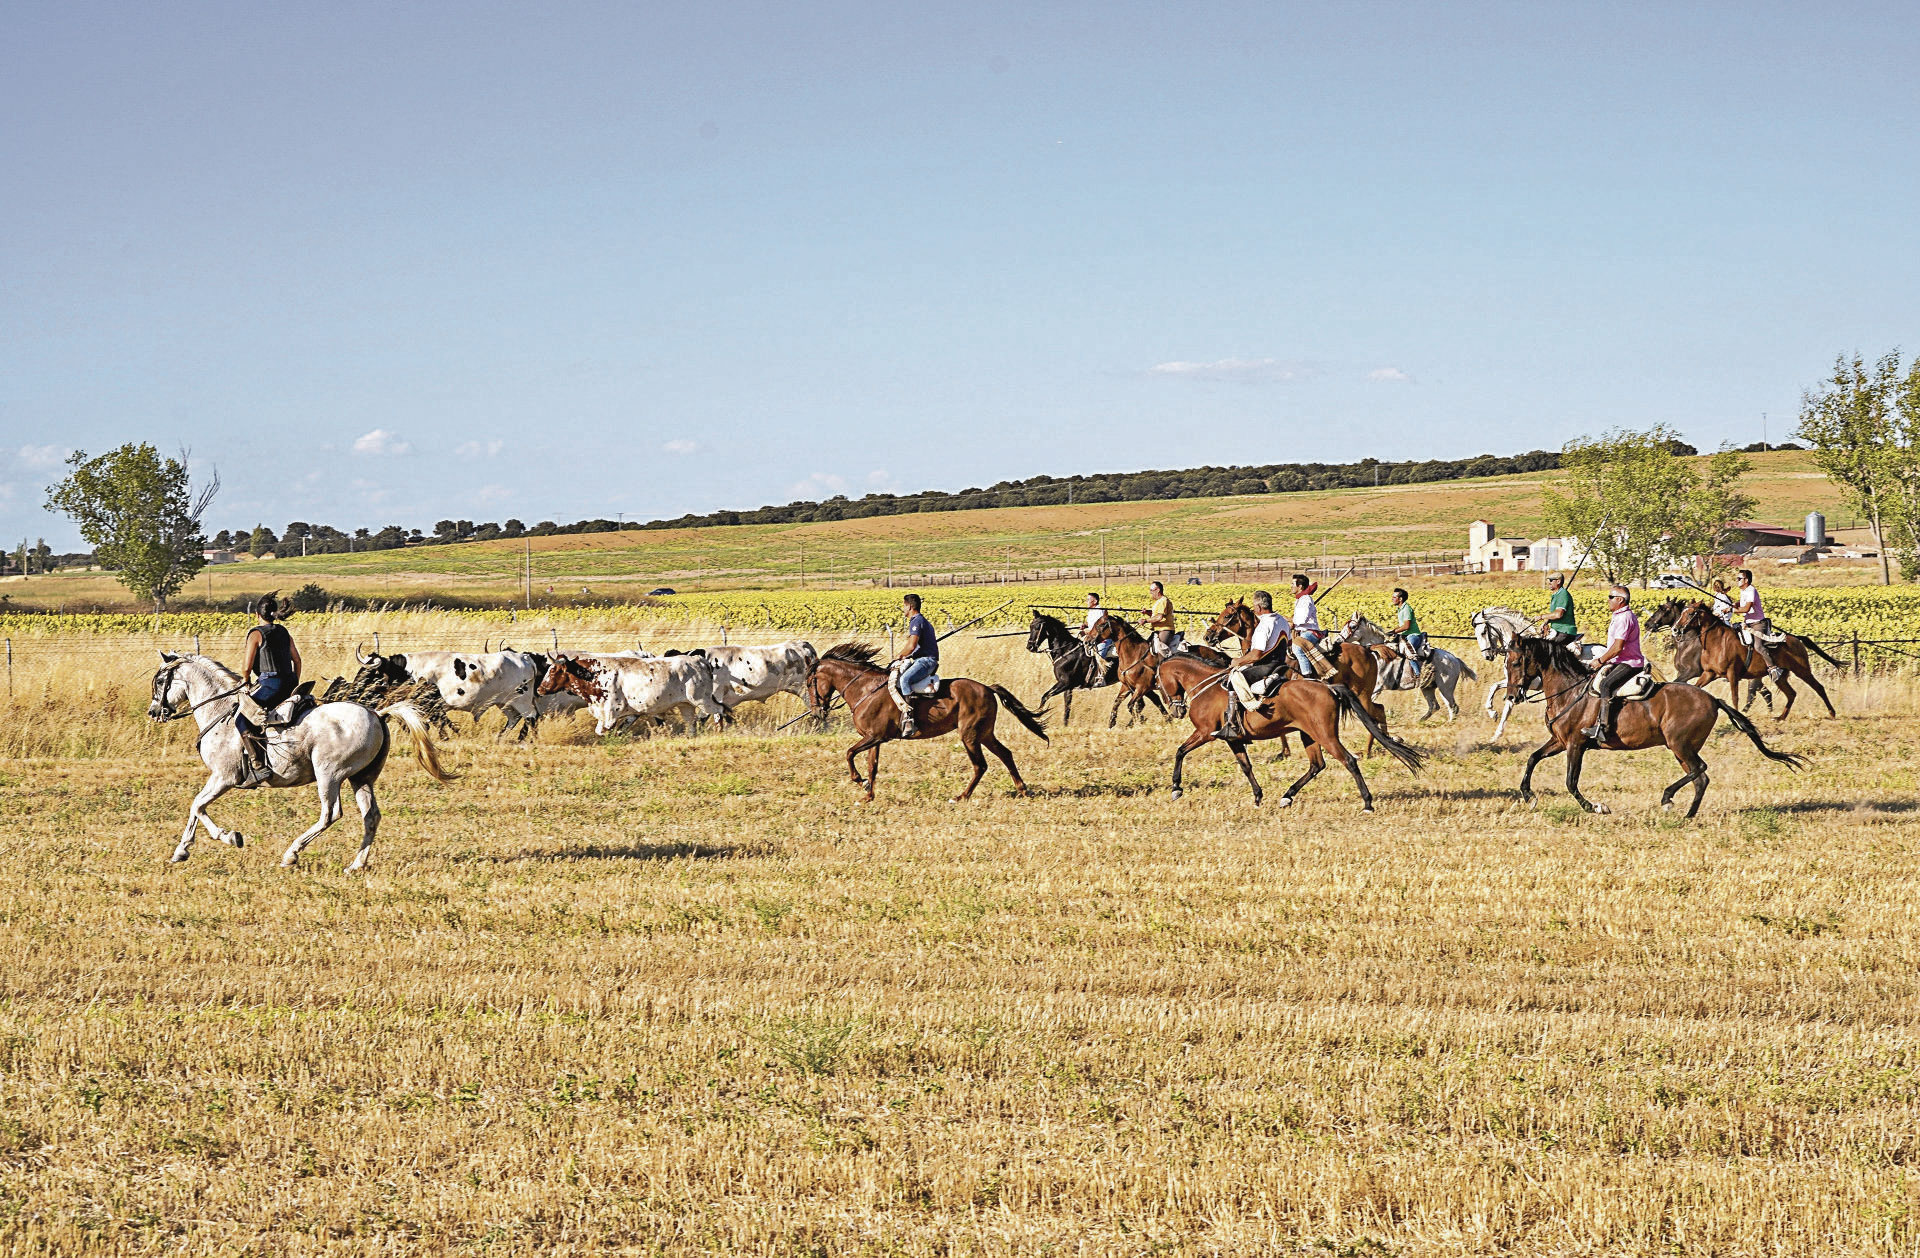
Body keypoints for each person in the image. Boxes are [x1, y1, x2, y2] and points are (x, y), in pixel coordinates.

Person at [235, 591, 302, 788]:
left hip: (270, 685)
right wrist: (295, 680)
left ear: (257, 615)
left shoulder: (256, 634)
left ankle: (258, 766)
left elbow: (246, 667)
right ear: (274, 613)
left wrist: (246, 681)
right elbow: (297, 660)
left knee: (242, 719)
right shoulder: (283, 632)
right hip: (290, 682)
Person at [1583, 584, 1647, 744]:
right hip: (1620, 661)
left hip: (1630, 663)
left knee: (1605, 685)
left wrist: (1600, 660)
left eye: (1611, 597)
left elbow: (1618, 647)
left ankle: (1604, 729)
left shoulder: (1624, 618)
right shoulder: (1619, 616)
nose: (1608, 600)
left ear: (1620, 600)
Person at [1223, 591, 1291, 739]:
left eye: (1254, 607)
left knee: (1233, 679)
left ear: (1259, 607)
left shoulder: (1263, 626)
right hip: (1281, 665)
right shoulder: (1283, 621)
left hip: (1266, 667)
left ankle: (1232, 724)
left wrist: (1236, 661)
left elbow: (1256, 655)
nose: (1254, 610)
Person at [887, 593, 939, 736]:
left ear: (909, 606)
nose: (903, 609)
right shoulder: (922, 621)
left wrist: (899, 655)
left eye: (904, 606)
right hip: (921, 659)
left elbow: (911, 646)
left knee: (905, 680)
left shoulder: (916, 621)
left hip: (926, 661)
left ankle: (909, 720)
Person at [1735, 568, 1783, 680]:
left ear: (1746, 580)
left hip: (1757, 624)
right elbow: (1743, 603)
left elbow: (1746, 608)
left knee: (1758, 646)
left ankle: (1773, 668)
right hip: (1747, 623)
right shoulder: (1744, 591)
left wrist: (1732, 610)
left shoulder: (1751, 590)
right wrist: (1735, 604)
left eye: (1739, 578)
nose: (1737, 580)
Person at [1288, 574, 1326, 676]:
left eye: (1293, 584)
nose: (1291, 586)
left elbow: (1301, 620)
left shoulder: (1305, 599)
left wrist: (1286, 619)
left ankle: (1307, 675)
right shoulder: (1300, 599)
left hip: (1310, 632)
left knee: (1297, 647)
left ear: (1300, 587)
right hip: (1300, 631)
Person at [1533, 572, 1581, 645]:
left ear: (1558, 581)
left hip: (1565, 631)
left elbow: (1558, 614)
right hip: (1557, 630)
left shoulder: (1563, 594)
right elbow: (1553, 614)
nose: (1549, 582)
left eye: (1551, 580)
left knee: (1549, 649)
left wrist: (1541, 616)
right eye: (1549, 580)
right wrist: (1545, 622)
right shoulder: (1556, 595)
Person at [1081, 591, 1116, 680]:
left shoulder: (1099, 611)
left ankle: (1101, 676)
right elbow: (1091, 623)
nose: (1086, 601)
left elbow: (1098, 628)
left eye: (1088, 599)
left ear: (1095, 601)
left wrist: (1086, 632)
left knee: (1100, 654)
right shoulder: (1091, 611)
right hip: (1093, 638)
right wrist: (1085, 625)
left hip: (1103, 639)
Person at [1144, 580, 1178, 656]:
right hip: (1158, 630)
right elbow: (1155, 615)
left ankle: (1162, 666)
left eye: (1152, 590)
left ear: (1158, 590)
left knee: (1161, 650)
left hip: (1165, 629)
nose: (1150, 593)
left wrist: (1145, 621)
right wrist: (1147, 613)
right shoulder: (1159, 601)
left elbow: (1159, 617)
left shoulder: (1163, 601)